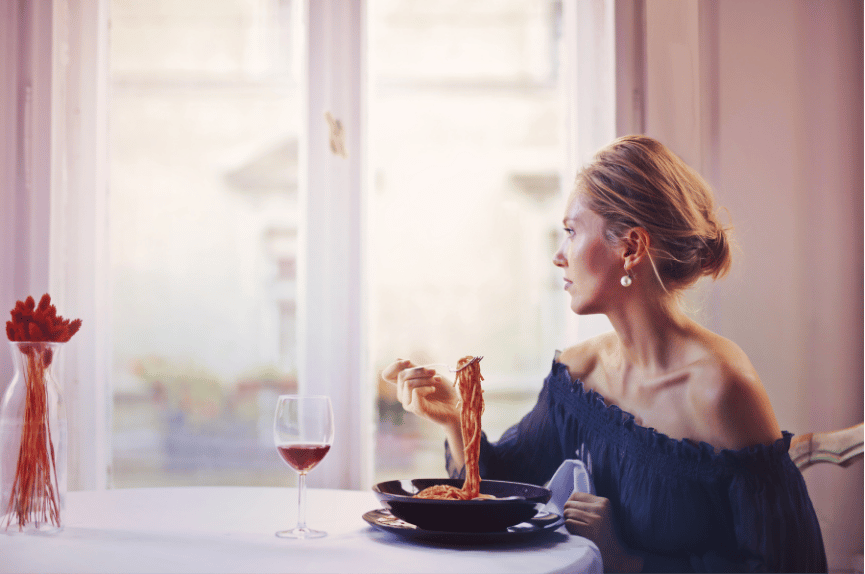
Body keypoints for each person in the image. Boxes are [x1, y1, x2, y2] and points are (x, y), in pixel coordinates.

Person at [382, 135, 827, 573]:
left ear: (630, 247)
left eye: (572, 232)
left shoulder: (721, 387)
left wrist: (630, 561)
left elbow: (790, 564)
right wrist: (456, 417)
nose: (559, 256)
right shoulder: (578, 375)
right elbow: (502, 493)